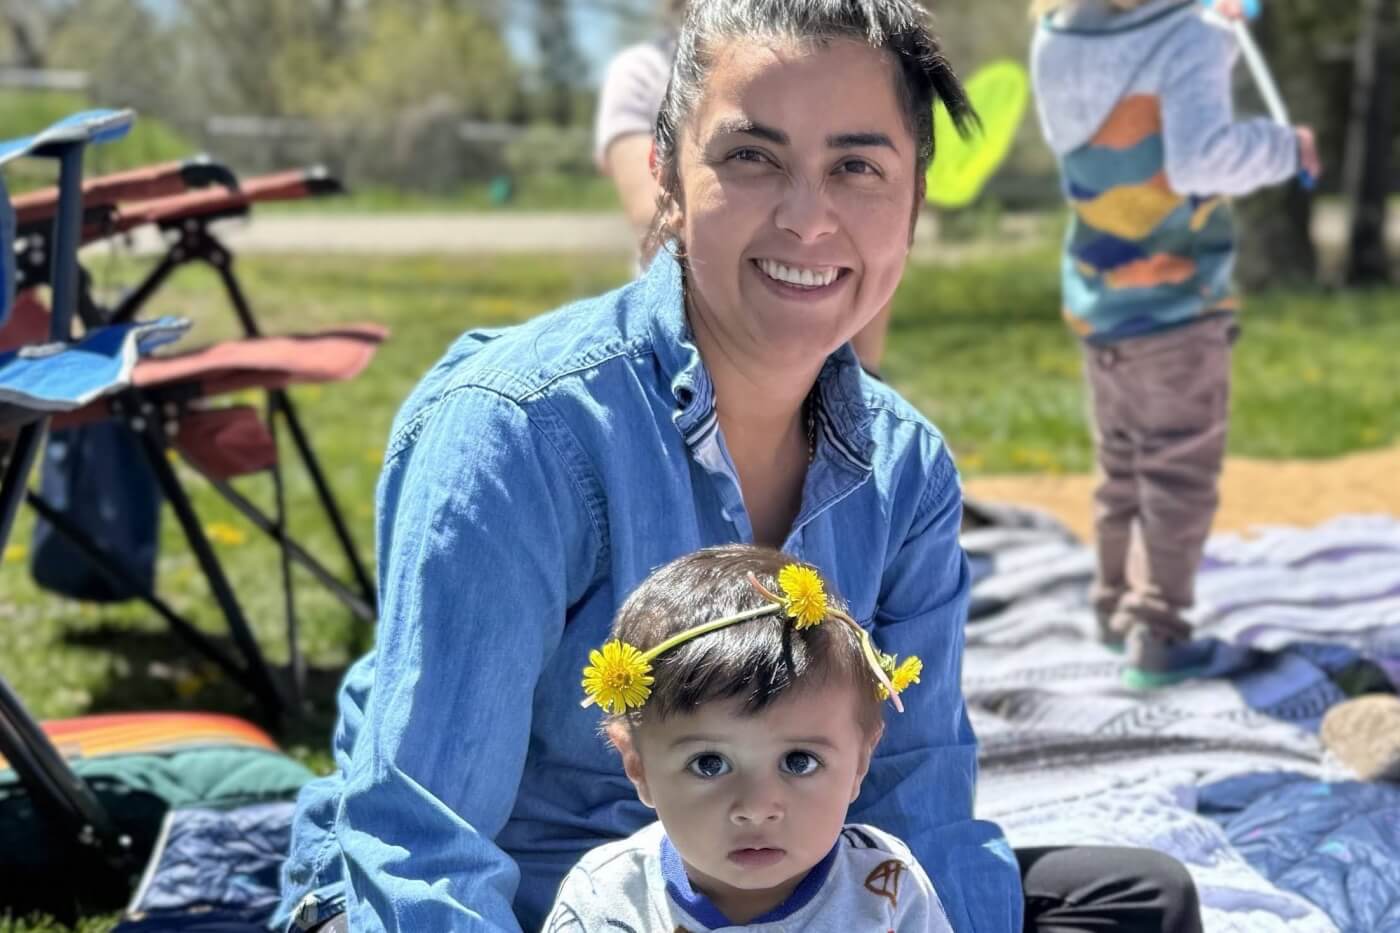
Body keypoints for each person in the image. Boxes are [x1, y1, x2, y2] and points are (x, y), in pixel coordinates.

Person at [277, 2, 1201, 931]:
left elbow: (916, 801)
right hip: (525, 896)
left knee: (1136, 900)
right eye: (752, 157)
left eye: (857, 168)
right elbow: (423, 845)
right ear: (667, 178)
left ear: (914, 202)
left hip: (778, 893)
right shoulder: (518, 431)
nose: (808, 217)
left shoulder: (907, 468)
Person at [1029, 0, 1322, 681]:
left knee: (1123, 462)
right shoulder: (1191, 33)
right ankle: (1158, 634)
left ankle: (1112, 608)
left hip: (1102, 301)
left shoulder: (1055, 32)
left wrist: (1211, 35)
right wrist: (1286, 147)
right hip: (1178, 303)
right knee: (1176, 473)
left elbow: (1120, 86)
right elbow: (1199, 161)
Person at [543, 544, 949, 931]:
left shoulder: (886, 887)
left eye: (799, 761)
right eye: (709, 764)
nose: (756, 808)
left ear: (860, 760)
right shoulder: (607, 900)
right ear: (638, 766)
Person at [593, 0, 894, 373]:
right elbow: (651, 219)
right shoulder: (642, 72)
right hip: (684, 352)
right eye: (749, 155)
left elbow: (875, 233)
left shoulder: (830, 53)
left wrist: (865, 370)